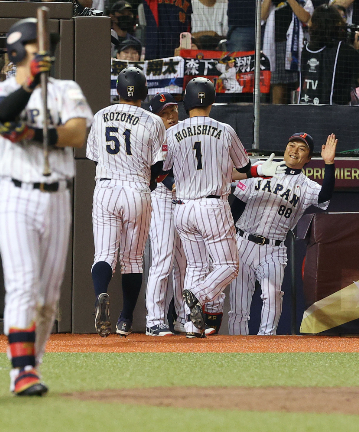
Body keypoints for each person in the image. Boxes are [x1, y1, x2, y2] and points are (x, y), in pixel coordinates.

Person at [0, 17, 93, 396]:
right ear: (16, 51)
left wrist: (35, 135)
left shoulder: (65, 89)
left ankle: (32, 365)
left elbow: (77, 134)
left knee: (48, 299)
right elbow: (1, 116)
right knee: (23, 283)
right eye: (34, 45)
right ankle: (22, 370)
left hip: (57, 195)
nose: (44, 51)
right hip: (14, 195)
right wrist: (28, 85)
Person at [163, 77, 284, 337]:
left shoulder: (172, 132)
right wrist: (258, 169)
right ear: (212, 101)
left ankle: (192, 324)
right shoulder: (224, 129)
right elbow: (241, 167)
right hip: (212, 206)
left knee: (195, 266)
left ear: (187, 102)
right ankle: (197, 295)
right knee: (229, 266)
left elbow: (162, 171)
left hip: (182, 208)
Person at [228, 133, 337, 335]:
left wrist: (329, 164)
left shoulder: (306, 186)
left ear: (308, 159)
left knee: (273, 296)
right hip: (243, 241)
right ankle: (237, 349)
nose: (294, 150)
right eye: (291, 145)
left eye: (301, 148)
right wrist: (228, 238)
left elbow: (325, 196)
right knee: (239, 305)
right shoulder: (262, 167)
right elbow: (239, 202)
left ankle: (267, 344)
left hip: (273, 249)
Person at [88, 67, 166, 338]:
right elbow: (158, 165)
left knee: (104, 255)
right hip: (137, 189)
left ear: (117, 91)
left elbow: (95, 158)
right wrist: (152, 181)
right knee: (132, 260)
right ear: (144, 93)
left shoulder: (100, 116)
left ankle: (101, 295)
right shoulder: (153, 120)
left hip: (106, 187)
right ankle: (125, 319)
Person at [143, 93, 188, 336]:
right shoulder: (150, 134)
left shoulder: (183, 131)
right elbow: (155, 170)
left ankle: (182, 316)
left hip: (185, 197)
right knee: (164, 257)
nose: (171, 115)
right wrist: (171, 182)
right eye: (164, 112)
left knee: (184, 260)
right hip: (160, 195)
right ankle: (154, 319)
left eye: (173, 110)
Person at [262, 0, 314, 104]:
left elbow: (306, 18)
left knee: (300, 83)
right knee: (278, 84)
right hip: (276, 47)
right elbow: (261, 16)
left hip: (298, 46)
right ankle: (276, 118)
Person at [298, 5, 359, 105]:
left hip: (307, 113)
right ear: (337, 24)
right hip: (336, 115)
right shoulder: (346, 50)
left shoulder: (306, 50)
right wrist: (357, 50)